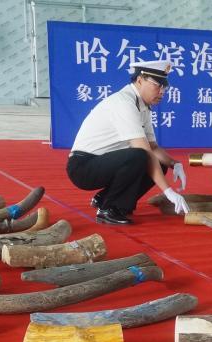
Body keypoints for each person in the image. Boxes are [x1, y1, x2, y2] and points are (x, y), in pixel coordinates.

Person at [66, 59, 188, 225]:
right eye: (157, 85)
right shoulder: (124, 102)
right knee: (139, 156)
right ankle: (109, 208)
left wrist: (175, 163)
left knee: (158, 163)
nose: (162, 91)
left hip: (104, 162)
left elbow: (153, 147)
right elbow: (144, 150)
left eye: (164, 87)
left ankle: (104, 198)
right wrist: (168, 191)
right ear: (140, 80)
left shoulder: (142, 106)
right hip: (83, 166)